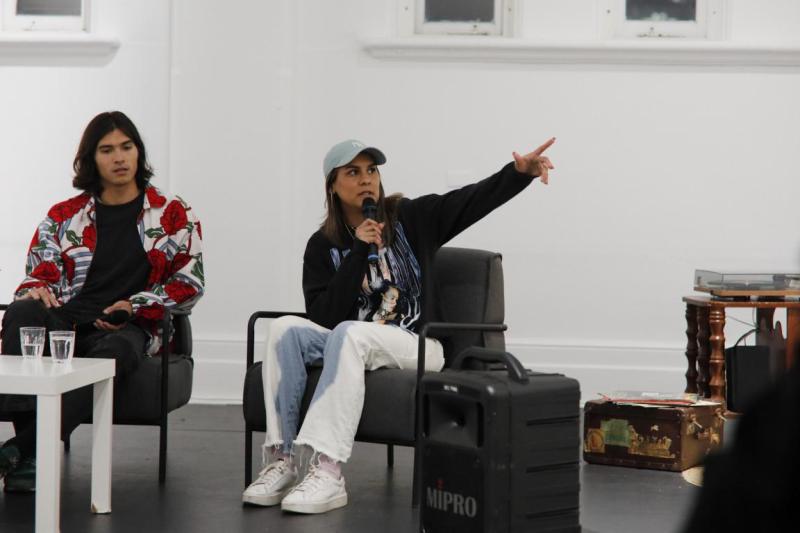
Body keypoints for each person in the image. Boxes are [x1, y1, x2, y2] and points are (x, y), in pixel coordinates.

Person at [242, 137, 555, 514]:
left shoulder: (411, 218)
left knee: (349, 333)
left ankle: (328, 470)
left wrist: (517, 174)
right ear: (332, 185)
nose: (365, 180)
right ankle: (282, 459)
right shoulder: (321, 246)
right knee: (283, 330)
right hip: (353, 340)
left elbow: (470, 201)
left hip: (417, 343)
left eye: (371, 171)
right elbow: (325, 317)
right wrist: (358, 251)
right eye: (353, 172)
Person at [0, 111, 204, 492]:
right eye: (107, 150)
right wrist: (37, 289)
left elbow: (189, 281)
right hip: (68, 321)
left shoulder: (172, 212)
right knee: (22, 311)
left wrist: (136, 305)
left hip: (129, 326)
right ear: (91, 159)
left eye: (127, 147)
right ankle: (30, 455)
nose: (119, 157)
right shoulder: (65, 215)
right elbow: (38, 269)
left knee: (117, 348)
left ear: (139, 153)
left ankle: (21, 451)